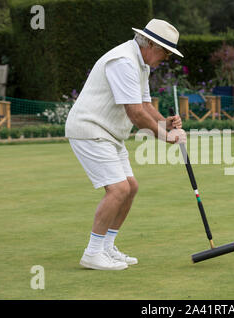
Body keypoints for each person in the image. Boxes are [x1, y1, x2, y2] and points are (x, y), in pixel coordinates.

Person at [65, 19, 186, 270]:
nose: (166, 57)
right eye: (165, 51)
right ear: (151, 43)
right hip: (90, 128)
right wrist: (165, 137)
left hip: (110, 133)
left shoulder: (141, 65)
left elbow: (146, 107)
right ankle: (93, 253)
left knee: (130, 187)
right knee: (118, 189)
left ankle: (107, 247)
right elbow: (135, 114)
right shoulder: (124, 61)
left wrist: (166, 124)